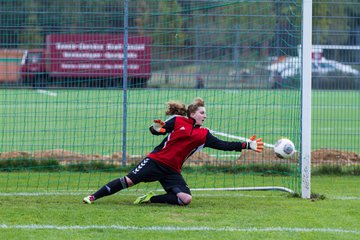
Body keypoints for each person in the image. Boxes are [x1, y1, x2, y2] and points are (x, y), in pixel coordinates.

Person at [83, 97, 264, 206]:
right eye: (202, 113)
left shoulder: (204, 134)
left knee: (186, 199)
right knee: (128, 180)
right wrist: (155, 127)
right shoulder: (178, 121)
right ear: (192, 114)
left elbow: (224, 145)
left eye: (205, 113)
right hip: (155, 161)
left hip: (172, 170)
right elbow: (158, 131)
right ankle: (93, 196)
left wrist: (247, 145)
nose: (205, 116)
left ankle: (151, 199)